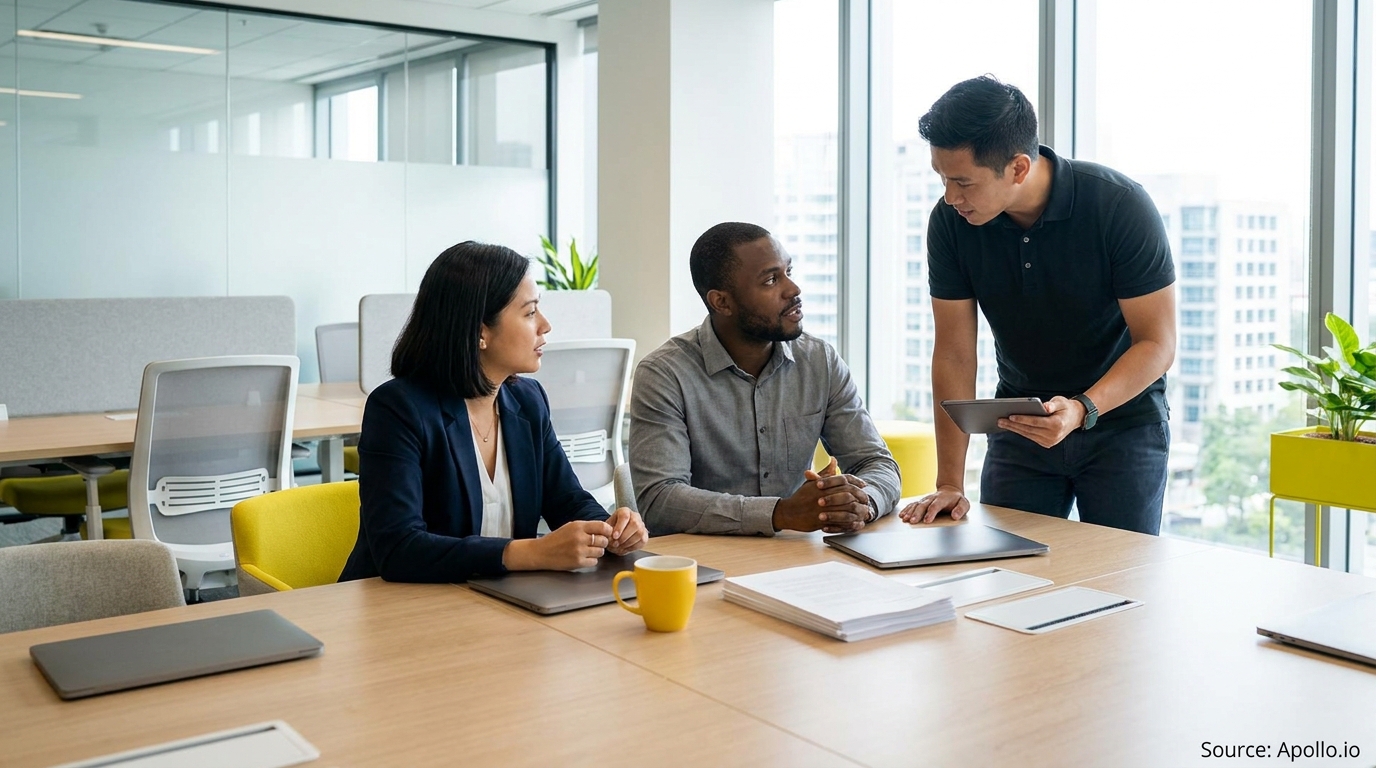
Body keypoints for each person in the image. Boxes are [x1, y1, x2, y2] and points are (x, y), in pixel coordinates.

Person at [898, 76, 1176, 535]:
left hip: (1123, 427)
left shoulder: (1119, 206)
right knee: (1010, 582)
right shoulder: (951, 223)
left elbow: (1157, 343)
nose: (950, 197)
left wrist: (1083, 408)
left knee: (1118, 584)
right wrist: (950, 481)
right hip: (1019, 424)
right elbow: (953, 352)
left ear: (1019, 168)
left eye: (963, 181)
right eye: (942, 178)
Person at [340, 241, 648, 583]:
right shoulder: (398, 410)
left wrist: (609, 529)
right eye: (530, 313)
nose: (545, 325)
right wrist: (530, 551)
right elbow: (399, 550)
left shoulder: (527, 401)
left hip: (499, 601)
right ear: (480, 331)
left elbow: (567, 500)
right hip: (403, 611)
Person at [630, 222, 901, 536]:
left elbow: (877, 462)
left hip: (796, 556)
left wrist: (861, 503)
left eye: (789, 271)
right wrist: (780, 514)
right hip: (705, 565)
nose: (793, 289)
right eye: (772, 280)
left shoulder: (819, 360)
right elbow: (660, 500)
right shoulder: (665, 374)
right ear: (722, 302)